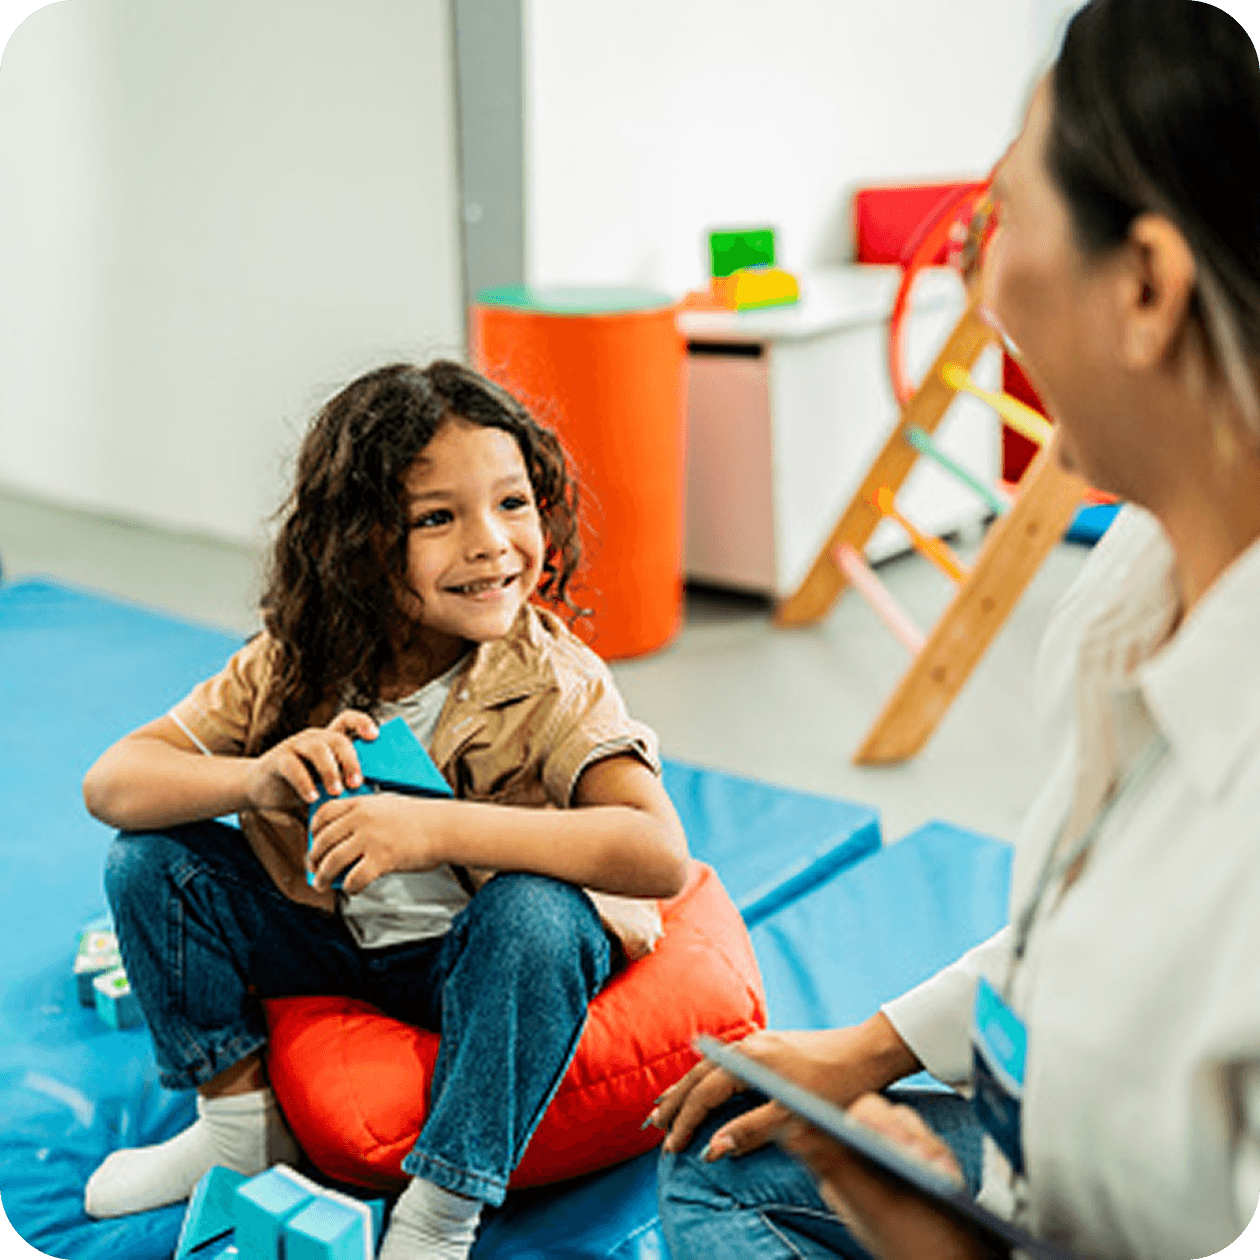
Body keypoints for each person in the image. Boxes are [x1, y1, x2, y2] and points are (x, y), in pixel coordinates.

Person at [652, 2, 1260, 1257]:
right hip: (1041, 1139)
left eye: (1006, 217)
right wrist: (863, 1050)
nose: (988, 285)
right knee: (723, 1166)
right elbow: (1087, 918)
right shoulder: (1139, 584)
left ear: (1144, 287)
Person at [79, 359, 688, 1260]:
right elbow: (114, 782)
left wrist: (438, 829)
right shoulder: (295, 661)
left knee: (536, 916)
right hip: (331, 938)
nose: (492, 544)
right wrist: (255, 779)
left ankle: (442, 1207)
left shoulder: (553, 681)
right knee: (149, 859)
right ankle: (240, 1136)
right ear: (359, 542)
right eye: (437, 518)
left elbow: (658, 855)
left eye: (513, 504)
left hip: (474, 962)